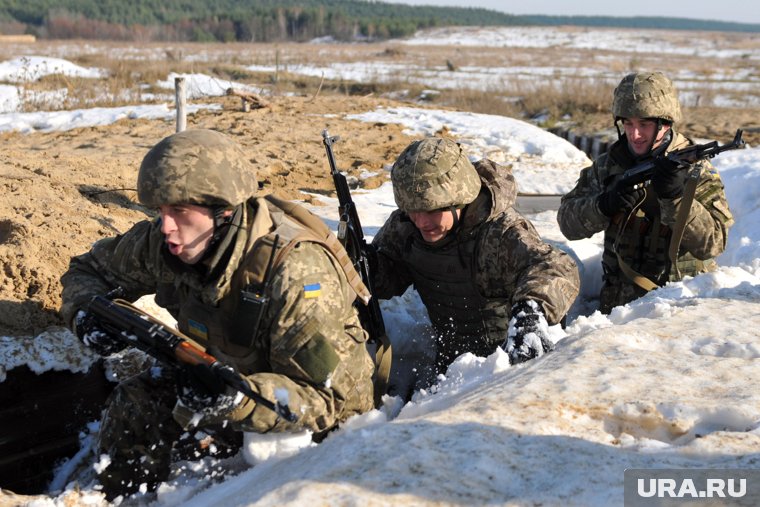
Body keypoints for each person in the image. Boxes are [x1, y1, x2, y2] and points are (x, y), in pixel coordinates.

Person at [60, 129, 376, 499]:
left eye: (179, 212)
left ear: (223, 211)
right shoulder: (167, 242)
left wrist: (235, 401)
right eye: (160, 211)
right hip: (222, 374)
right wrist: (85, 315)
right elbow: (87, 271)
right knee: (137, 401)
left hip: (314, 419)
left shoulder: (295, 272)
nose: (166, 226)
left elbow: (330, 401)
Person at [370, 136, 580, 386]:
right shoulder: (405, 226)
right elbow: (387, 276)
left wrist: (530, 313)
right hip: (448, 369)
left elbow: (555, 267)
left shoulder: (499, 233)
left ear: (461, 200)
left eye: (433, 210)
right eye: (413, 210)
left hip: (506, 370)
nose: (422, 222)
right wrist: (364, 265)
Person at [557, 71, 734, 314]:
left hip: (676, 307)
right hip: (616, 310)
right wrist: (603, 206)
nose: (635, 135)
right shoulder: (609, 166)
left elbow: (713, 244)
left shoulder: (696, 171)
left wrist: (676, 198)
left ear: (666, 123)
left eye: (644, 125)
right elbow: (567, 223)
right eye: (628, 124)